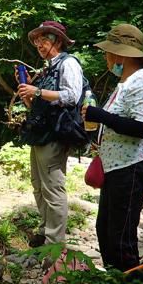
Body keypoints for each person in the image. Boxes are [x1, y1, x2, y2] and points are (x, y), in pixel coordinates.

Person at [80, 23, 143, 271]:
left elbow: (140, 128)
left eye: (108, 52)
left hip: (132, 166)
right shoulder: (127, 83)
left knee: (121, 233)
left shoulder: (141, 83)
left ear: (120, 56)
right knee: (105, 228)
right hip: (117, 166)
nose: (106, 57)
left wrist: (99, 115)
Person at [17, 21, 84, 247]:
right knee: (38, 185)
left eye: (44, 39)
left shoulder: (69, 64)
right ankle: (45, 231)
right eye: (37, 41)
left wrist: (37, 90)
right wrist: (30, 97)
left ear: (57, 41)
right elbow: (42, 104)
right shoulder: (48, 68)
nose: (39, 44)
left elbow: (72, 96)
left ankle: (55, 243)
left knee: (53, 188)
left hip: (55, 134)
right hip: (40, 134)